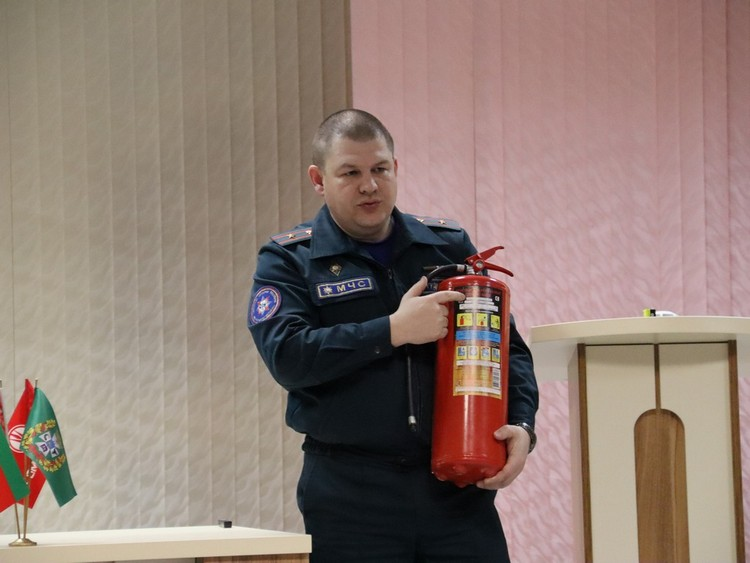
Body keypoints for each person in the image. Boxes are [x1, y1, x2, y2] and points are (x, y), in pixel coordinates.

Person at [248, 109, 538, 562]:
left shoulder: (446, 244)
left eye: (380, 169)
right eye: (350, 173)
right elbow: (288, 356)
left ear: (396, 169)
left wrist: (521, 424)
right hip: (351, 494)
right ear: (319, 180)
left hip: (455, 489)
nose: (369, 185)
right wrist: (391, 331)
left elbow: (506, 350)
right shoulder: (290, 259)